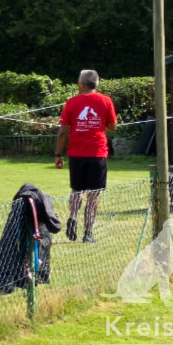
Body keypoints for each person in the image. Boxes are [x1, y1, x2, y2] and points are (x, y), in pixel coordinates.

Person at [55, 69, 117, 243]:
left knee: (76, 190)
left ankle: (73, 215)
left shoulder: (72, 102)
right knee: (94, 194)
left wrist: (58, 154)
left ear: (81, 84)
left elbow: (63, 132)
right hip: (97, 154)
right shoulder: (106, 101)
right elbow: (113, 127)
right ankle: (88, 233)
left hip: (76, 154)